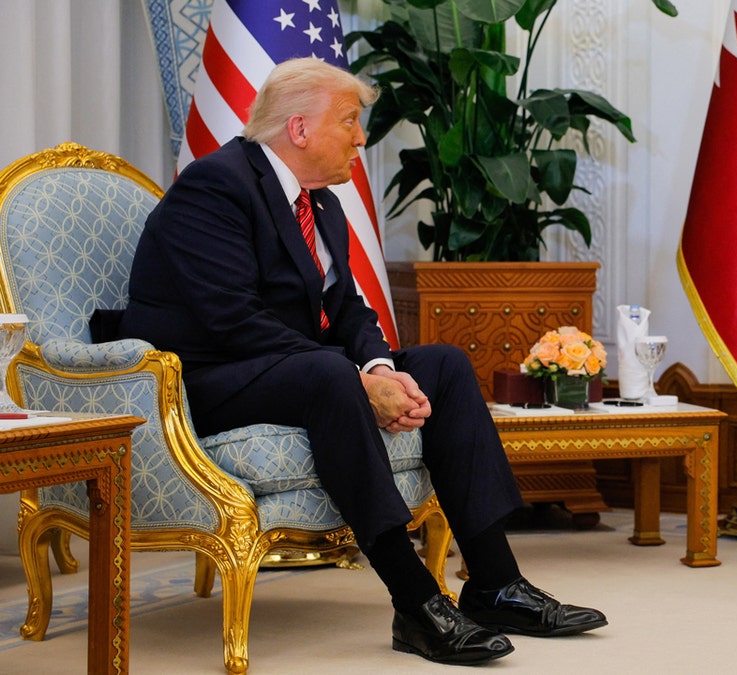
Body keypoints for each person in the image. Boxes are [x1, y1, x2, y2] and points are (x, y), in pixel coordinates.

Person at [119, 57, 606, 665]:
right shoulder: (215, 185)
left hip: (286, 365)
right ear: (299, 129)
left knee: (446, 366)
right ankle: (416, 603)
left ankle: (495, 583)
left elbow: (346, 308)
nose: (360, 137)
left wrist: (378, 369)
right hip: (207, 378)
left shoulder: (318, 202)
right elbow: (231, 319)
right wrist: (353, 379)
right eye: (350, 122)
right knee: (328, 373)